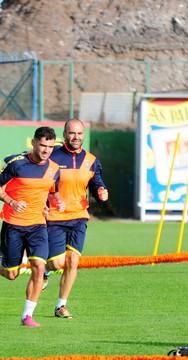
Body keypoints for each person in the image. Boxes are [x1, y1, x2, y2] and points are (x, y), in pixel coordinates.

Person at [0, 126, 63, 327]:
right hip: (13, 225)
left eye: (50, 146)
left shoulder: (54, 169)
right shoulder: (16, 164)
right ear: (33, 143)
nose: (46, 150)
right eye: (42, 145)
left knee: (39, 267)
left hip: (38, 226)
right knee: (11, 274)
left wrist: (55, 203)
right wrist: (11, 202)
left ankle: (27, 315)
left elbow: (52, 192)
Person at [44, 118, 108, 319]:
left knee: (73, 262)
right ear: (64, 134)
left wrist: (101, 190)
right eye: (72, 133)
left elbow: (98, 181)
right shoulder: (51, 155)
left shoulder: (91, 160)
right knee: (57, 263)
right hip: (55, 216)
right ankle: (45, 270)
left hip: (79, 217)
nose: (76, 137)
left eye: (79, 134)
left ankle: (61, 306)